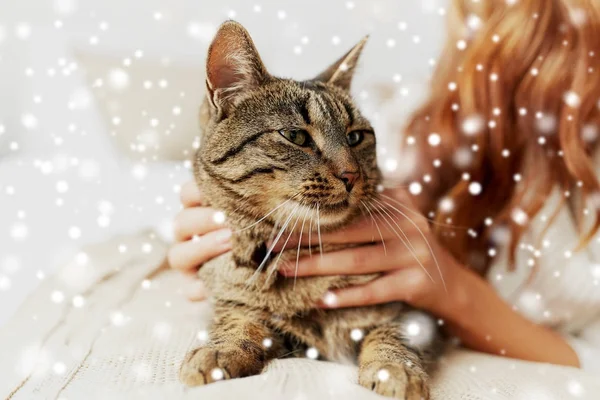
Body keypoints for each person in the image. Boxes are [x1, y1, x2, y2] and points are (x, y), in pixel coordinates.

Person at [168, 0, 600, 371]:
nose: (346, 171)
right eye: (299, 139)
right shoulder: (415, 111)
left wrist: (453, 290)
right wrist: (203, 255)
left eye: (355, 141)